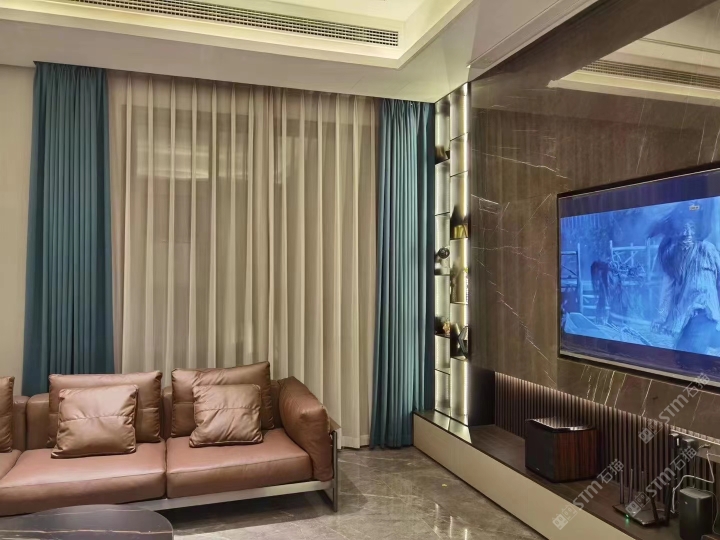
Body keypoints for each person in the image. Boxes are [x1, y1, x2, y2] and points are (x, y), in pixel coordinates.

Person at [650, 200, 720, 371]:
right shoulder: (674, 256)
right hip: (686, 316)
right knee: (681, 355)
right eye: (683, 229)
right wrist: (661, 317)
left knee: (691, 357)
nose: (687, 233)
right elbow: (667, 290)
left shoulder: (707, 250)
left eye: (692, 228)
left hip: (706, 314)